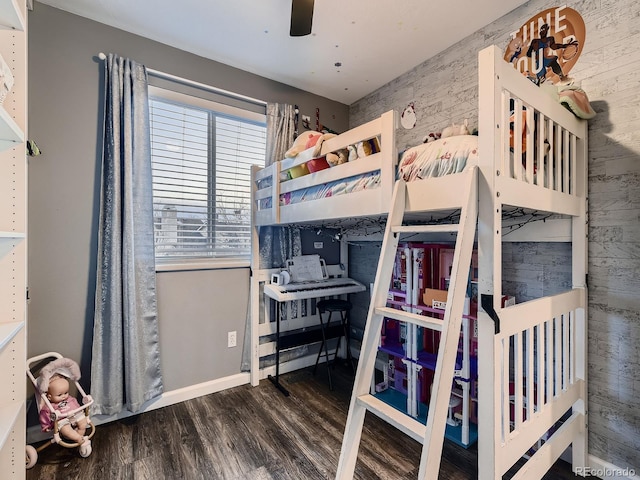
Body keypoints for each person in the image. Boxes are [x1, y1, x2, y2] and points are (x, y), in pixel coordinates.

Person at [39, 374, 92, 455]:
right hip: (61, 419)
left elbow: (76, 405)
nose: (64, 396)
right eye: (59, 395)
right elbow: (44, 416)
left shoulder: (70, 399)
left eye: (66, 393)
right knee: (65, 429)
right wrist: (46, 426)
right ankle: (78, 438)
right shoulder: (49, 407)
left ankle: (79, 435)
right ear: (49, 397)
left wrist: (79, 411)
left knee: (83, 422)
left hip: (74, 414)